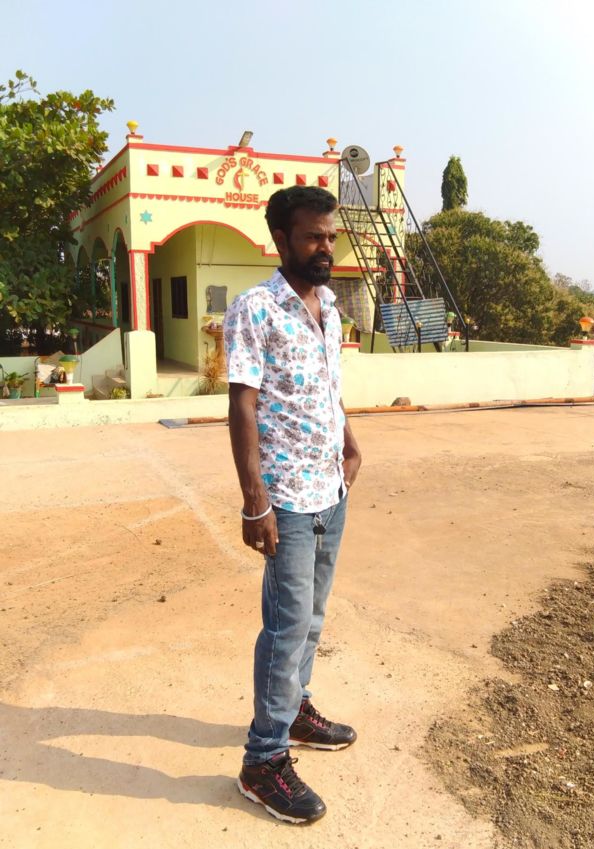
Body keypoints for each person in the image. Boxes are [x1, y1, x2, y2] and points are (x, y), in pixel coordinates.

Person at [223, 185, 362, 824]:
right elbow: (243, 404)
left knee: (312, 617)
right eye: (313, 237)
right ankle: (263, 760)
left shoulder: (329, 305)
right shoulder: (256, 309)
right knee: (285, 626)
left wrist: (350, 441)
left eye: (331, 236)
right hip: (287, 499)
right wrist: (255, 501)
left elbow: (328, 388)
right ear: (281, 239)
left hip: (331, 488)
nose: (325, 247)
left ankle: (296, 710)